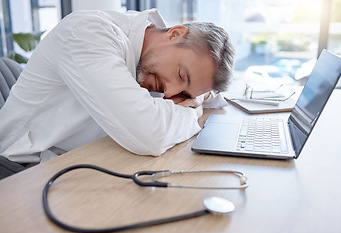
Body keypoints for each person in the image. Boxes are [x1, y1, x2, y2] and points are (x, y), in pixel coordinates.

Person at [0, 9, 235, 179]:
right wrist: (192, 113)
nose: (171, 93)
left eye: (184, 93)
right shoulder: (89, 33)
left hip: (80, 159)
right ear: (175, 34)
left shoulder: (150, 45)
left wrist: (199, 95)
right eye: (181, 75)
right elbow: (149, 133)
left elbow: (213, 97)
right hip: (22, 172)